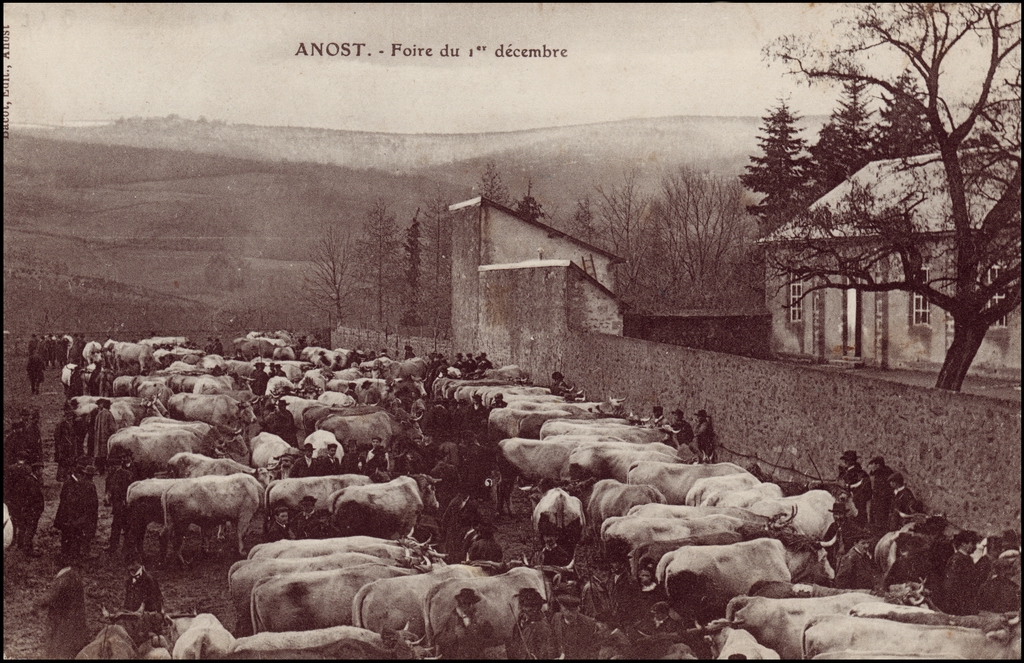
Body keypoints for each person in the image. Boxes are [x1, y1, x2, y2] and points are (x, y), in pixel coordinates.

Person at [53, 459, 100, 564]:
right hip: (83, 514)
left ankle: (68, 554)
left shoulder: (78, 483)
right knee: (82, 533)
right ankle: (78, 554)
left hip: (71, 513)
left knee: (70, 534)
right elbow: (92, 502)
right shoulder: (89, 485)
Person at [37, 566, 89, 659]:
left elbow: (51, 597)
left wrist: (36, 604)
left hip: (64, 622)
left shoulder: (64, 578)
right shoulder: (74, 575)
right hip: (75, 621)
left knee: (60, 650)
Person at [434, 588, 495, 660]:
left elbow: (489, 634)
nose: (470, 606)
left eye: (471, 603)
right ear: (460, 603)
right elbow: (437, 639)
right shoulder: (448, 618)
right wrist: (455, 636)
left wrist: (482, 623)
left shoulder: (475, 617)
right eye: (467, 603)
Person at [940, 530, 987, 615]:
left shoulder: (965, 559)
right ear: (963, 544)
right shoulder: (958, 559)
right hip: (958, 604)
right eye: (972, 543)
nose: (975, 547)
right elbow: (950, 585)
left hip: (964, 602)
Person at [552, 585, 602, 660]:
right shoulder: (556, 619)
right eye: (566, 610)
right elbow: (552, 643)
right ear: (561, 608)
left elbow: (594, 651)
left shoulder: (589, 624)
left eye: (573, 610)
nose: (570, 613)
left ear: (578, 609)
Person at [508, 587, 557, 660]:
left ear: (536, 608)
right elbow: (516, 645)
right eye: (522, 606)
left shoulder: (542, 627)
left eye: (529, 609)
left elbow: (549, 651)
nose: (522, 610)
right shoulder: (519, 623)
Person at [9, 460, 46, 556]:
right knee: (30, 529)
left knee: (27, 528)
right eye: (41, 469)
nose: (42, 472)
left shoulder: (31, 479)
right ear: (37, 470)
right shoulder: (32, 481)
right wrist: (36, 509)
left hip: (30, 510)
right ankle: (27, 550)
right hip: (32, 511)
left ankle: (27, 547)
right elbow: (33, 497)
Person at [105, 451, 136, 553]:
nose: (111, 468)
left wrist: (125, 501)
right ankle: (114, 546)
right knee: (116, 526)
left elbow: (130, 490)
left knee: (126, 527)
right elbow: (110, 489)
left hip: (124, 505)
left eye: (113, 466)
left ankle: (125, 547)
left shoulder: (127, 475)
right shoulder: (112, 475)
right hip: (117, 505)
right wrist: (109, 496)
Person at [838, 450, 871, 528]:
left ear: (851, 461)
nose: (845, 462)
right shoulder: (845, 473)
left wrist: (851, 493)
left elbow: (864, 489)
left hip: (857, 503)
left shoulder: (860, 474)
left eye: (847, 460)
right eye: (845, 460)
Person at [866, 456, 895, 534]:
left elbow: (888, 490)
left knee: (881, 522)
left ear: (878, 465)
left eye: (872, 464)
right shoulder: (877, 473)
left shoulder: (885, 474)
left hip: (883, 502)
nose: (871, 467)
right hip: (876, 501)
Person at [54, 407, 82, 482]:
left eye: (71, 417)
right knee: (63, 462)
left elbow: (73, 436)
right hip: (63, 447)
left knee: (69, 462)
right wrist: (60, 446)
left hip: (70, 447)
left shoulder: (70, 425)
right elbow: (57, 437)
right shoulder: (61, 425)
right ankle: (60, 477)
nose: (70, 418)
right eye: (69, 417)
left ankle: (67, 476)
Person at [91, 398, 117, 473]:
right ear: (108, 406)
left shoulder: (99, 414)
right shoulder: (109, 414)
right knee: (105, 452)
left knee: (99, 452)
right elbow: (112, 427)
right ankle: (106, 468)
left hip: (98, 437)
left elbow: (95, 427)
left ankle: (100, 469)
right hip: (106, 437)